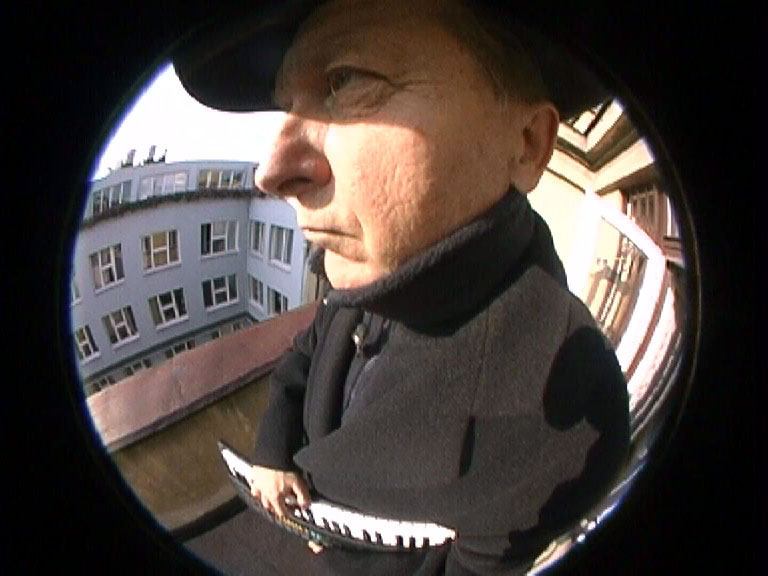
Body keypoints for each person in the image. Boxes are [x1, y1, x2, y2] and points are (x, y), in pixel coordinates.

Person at [176, 1, 631, 574]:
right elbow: (306, 353)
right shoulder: (365, 266)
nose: (272, 172)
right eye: (288, 106)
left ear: (525, 143)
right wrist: (273, 452)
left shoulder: (569, 418)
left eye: (345, 82)